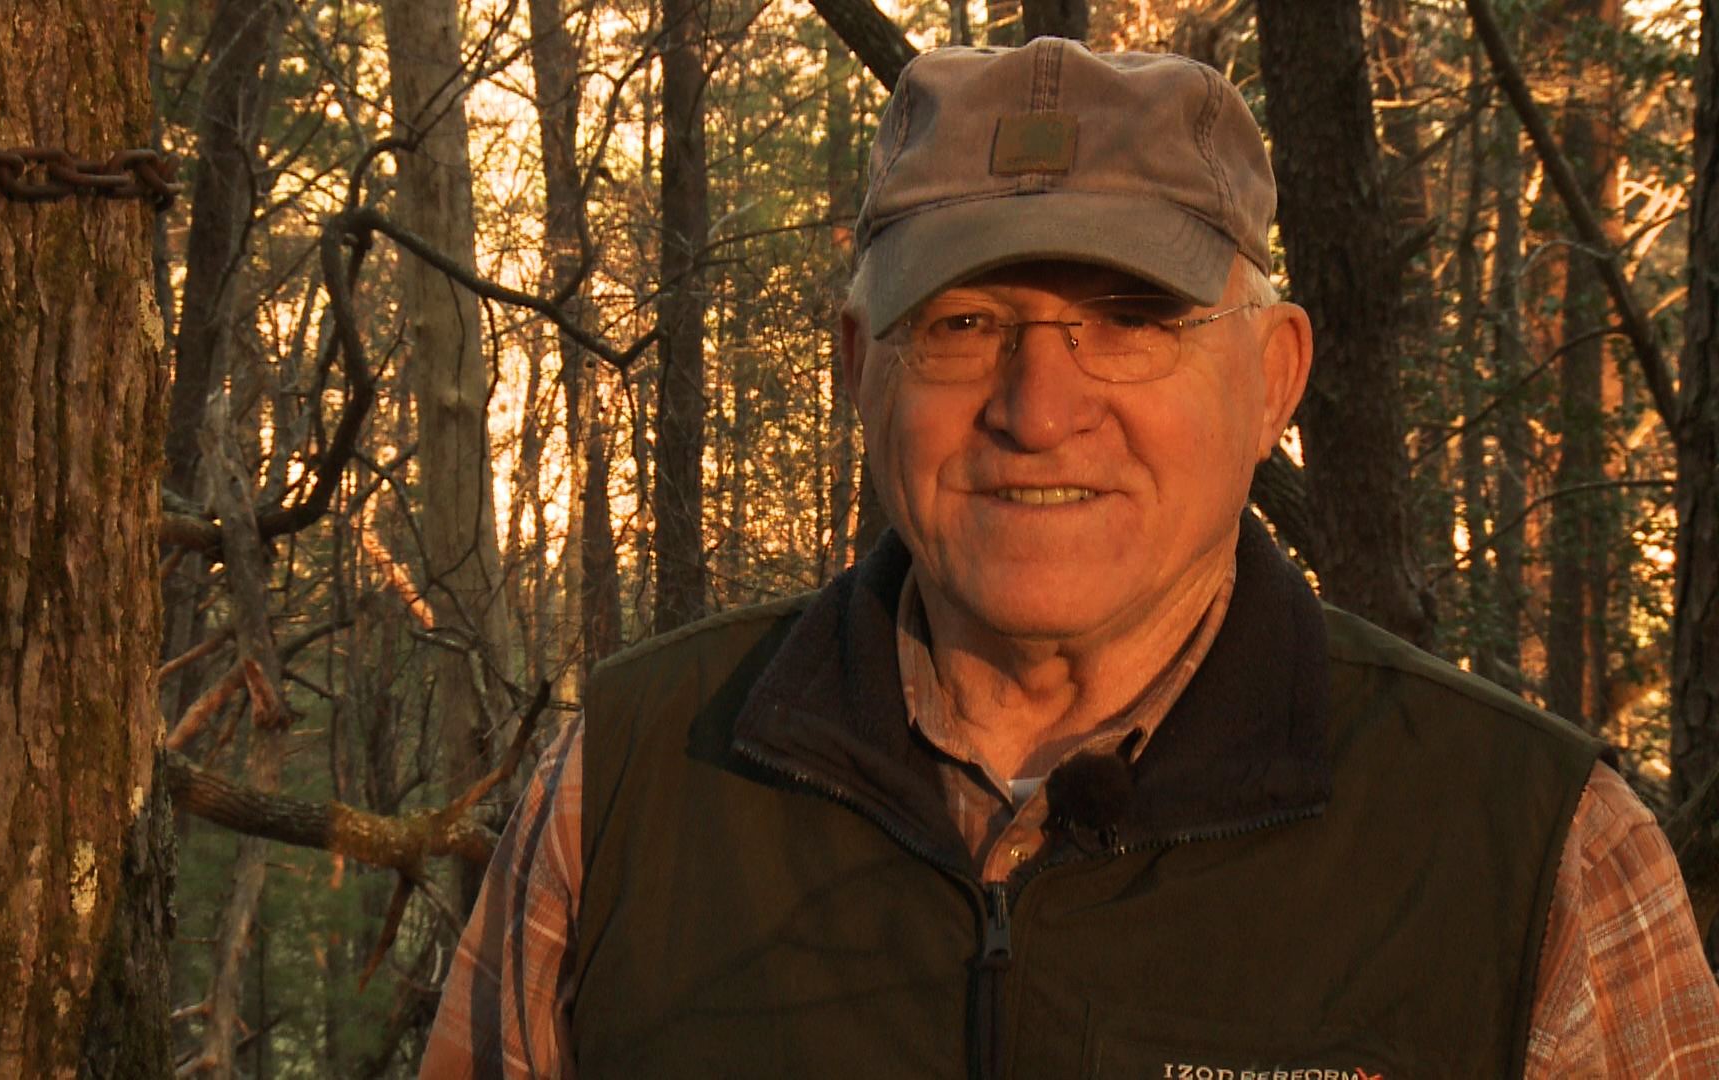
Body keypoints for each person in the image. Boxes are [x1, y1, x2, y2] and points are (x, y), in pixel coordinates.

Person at [422, 39, 1719, 1078]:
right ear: (858, 371)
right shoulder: (635, 783)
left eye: (1133, 320)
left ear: (1275, 381)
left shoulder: (1531, 855)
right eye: (967, 320)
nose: (1038, 406)